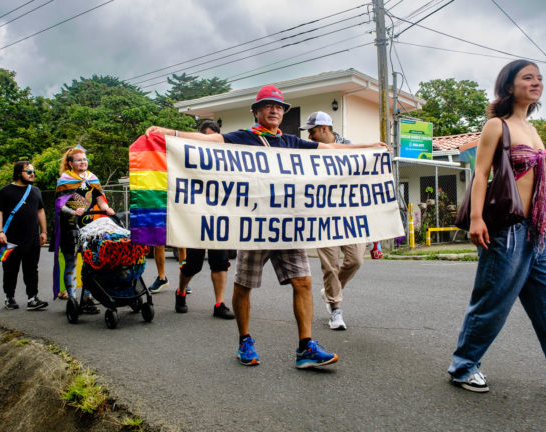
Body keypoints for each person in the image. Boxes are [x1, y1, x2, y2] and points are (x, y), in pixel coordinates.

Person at [146, 84, 388, 368]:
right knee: (244, 285)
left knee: (303, 282)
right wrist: (169, 134)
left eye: (279, 107)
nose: (275, 110)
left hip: (288, 226)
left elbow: (331, 149)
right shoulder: (244, 138)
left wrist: (369, 147)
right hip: (254, 227)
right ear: (257, 111)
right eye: (269, 106)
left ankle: (305, 347)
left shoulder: (291, 142)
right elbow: (207, 142)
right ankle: (245, 341)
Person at [447, 60, 546, 401]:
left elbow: (533, 167)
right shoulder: (497, 125)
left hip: (540, 232)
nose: (536, 82)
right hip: (507, 230)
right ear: (509, 86)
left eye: (539, 78)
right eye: (528, 77)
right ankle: (463, 366)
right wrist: (477, 218)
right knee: (491, 303)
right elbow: (481, 174)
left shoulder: (534, 130)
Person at [301, 111, 365, 331]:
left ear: (324, 129)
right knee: (330, 265)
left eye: (312, 131)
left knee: (355, 259)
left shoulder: (350, 148)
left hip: (350, 215)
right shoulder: (308, 152)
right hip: (322, 215)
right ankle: (335, 309)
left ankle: (329, 291)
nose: (309, 136)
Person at [173, 121, 234, 319]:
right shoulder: (190, 158)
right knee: (194, 264)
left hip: (220, 217)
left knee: (220, 262)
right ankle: (180, 293)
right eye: (206, 137)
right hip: (196, 217)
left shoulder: (226, 160)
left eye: (214, 138)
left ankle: (219, 303)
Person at [53, 147, 115, 313]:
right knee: (71, 262)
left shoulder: (92, 178)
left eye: (84, 159)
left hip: (88, 225)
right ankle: (73, 299)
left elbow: (100, 199)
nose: (83, 162)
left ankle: (87, 297)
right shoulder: (64, 179)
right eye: (79, 160)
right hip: (70, 226)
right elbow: (60, 205)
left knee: (90, 261)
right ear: (71, 163)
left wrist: (106, 208)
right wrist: (73, 211)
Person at [0, 161, 49, 311]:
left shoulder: (35, 191)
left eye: (33, 172)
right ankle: (9, 297)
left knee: (32, 269)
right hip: (10, 239)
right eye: (29, 172)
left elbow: (40, 211)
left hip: (32, 238)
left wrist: (43, 231)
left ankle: (33, 298)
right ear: (18, 173)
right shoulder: (5, 191)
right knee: (10, 269)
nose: (32, 175)